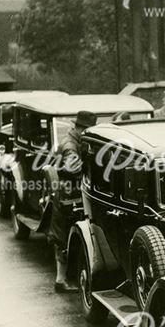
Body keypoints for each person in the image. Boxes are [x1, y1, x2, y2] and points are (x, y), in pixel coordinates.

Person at [51, 110, 97, 292]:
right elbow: (74, 170)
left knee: (62, 237)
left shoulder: (72, 140)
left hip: (64, 194)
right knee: (63, 238)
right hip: (68, 196)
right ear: (80, 128)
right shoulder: (71, 145)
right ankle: (61, 281)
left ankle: (62, 279)